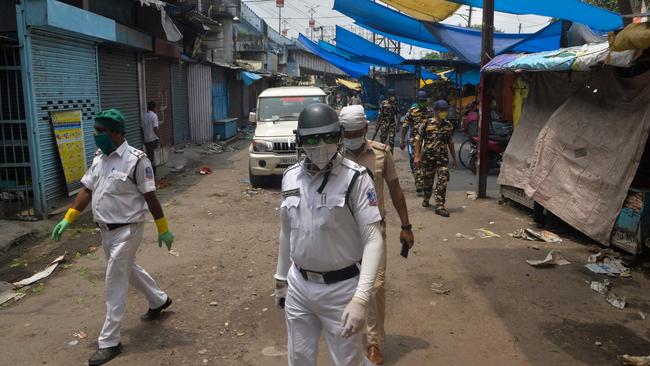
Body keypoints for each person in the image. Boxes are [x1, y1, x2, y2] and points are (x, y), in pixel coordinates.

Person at [51, 108, 174, 365]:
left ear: (116, 132)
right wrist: (68, 217)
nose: (96, 136)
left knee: (114, 281)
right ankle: (158, 299)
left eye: (101, 131)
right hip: (105, 230)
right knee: (128, 270)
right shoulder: (99, 157)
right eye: (96, 131)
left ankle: (110, 342)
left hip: (128, 229)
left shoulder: (137, 160)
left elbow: (150, 196)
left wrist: (163, 227)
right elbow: (87, 188)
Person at [273, 103, 384, 366]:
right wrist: (280, 278)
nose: (321, 145)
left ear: (339, 137)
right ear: (299, 140)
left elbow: (374, 239)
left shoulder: (355, 179)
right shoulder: (290, 178)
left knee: (348, 361)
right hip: (299, 284)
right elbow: (287, 229)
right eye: (312, 138)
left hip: (342, 289)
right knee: (298, 358)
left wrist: (361, 298)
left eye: (329, 137)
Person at [340, 105, 414, 365]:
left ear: (365, 128)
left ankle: (373, 342)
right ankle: (348, 335)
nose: (351, 136)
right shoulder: (334, 155)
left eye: (356, 131)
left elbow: (395, 189)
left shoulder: (382, 154)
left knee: (375, 287)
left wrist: (406, 226)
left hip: (374, 230)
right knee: (344, 285)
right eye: (346, 132)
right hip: (342, 232)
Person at [413, 100, 457, 217]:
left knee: (443, 180)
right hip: (428, 159)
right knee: (427, 183)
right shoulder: (426, 124)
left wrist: (454, 158)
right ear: (435, 111)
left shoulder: (448, 126)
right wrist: (417, 156)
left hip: (442, 159)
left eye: (445, 110)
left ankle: (440, 205)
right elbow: (418, 140)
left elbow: (450, 143)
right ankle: (426, 198)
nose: (444, 113)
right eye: (441, 110)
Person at [400, 90, 431, 196]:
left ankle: (424, 182)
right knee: (416, 161)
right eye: (422, 101)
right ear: (418, 101)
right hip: (415, 141)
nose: (424, 102)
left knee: (426, 163)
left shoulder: (429, 112)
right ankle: (419, 185)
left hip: (428, 142)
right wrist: (402, 140)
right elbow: (404, 126)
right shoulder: (411, 111)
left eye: (425, 100)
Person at [142, 101, 160, 176]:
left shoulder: (144, 116)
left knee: (149, 157)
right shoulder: (154, 116)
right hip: (153, 139)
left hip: (147, 140)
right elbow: (155, 128)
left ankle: (151, 173)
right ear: (153, 107)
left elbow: (142, 128)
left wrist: (143, 139)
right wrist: (159, 137)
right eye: (155, 107)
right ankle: (153, 174)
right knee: (154, 158)